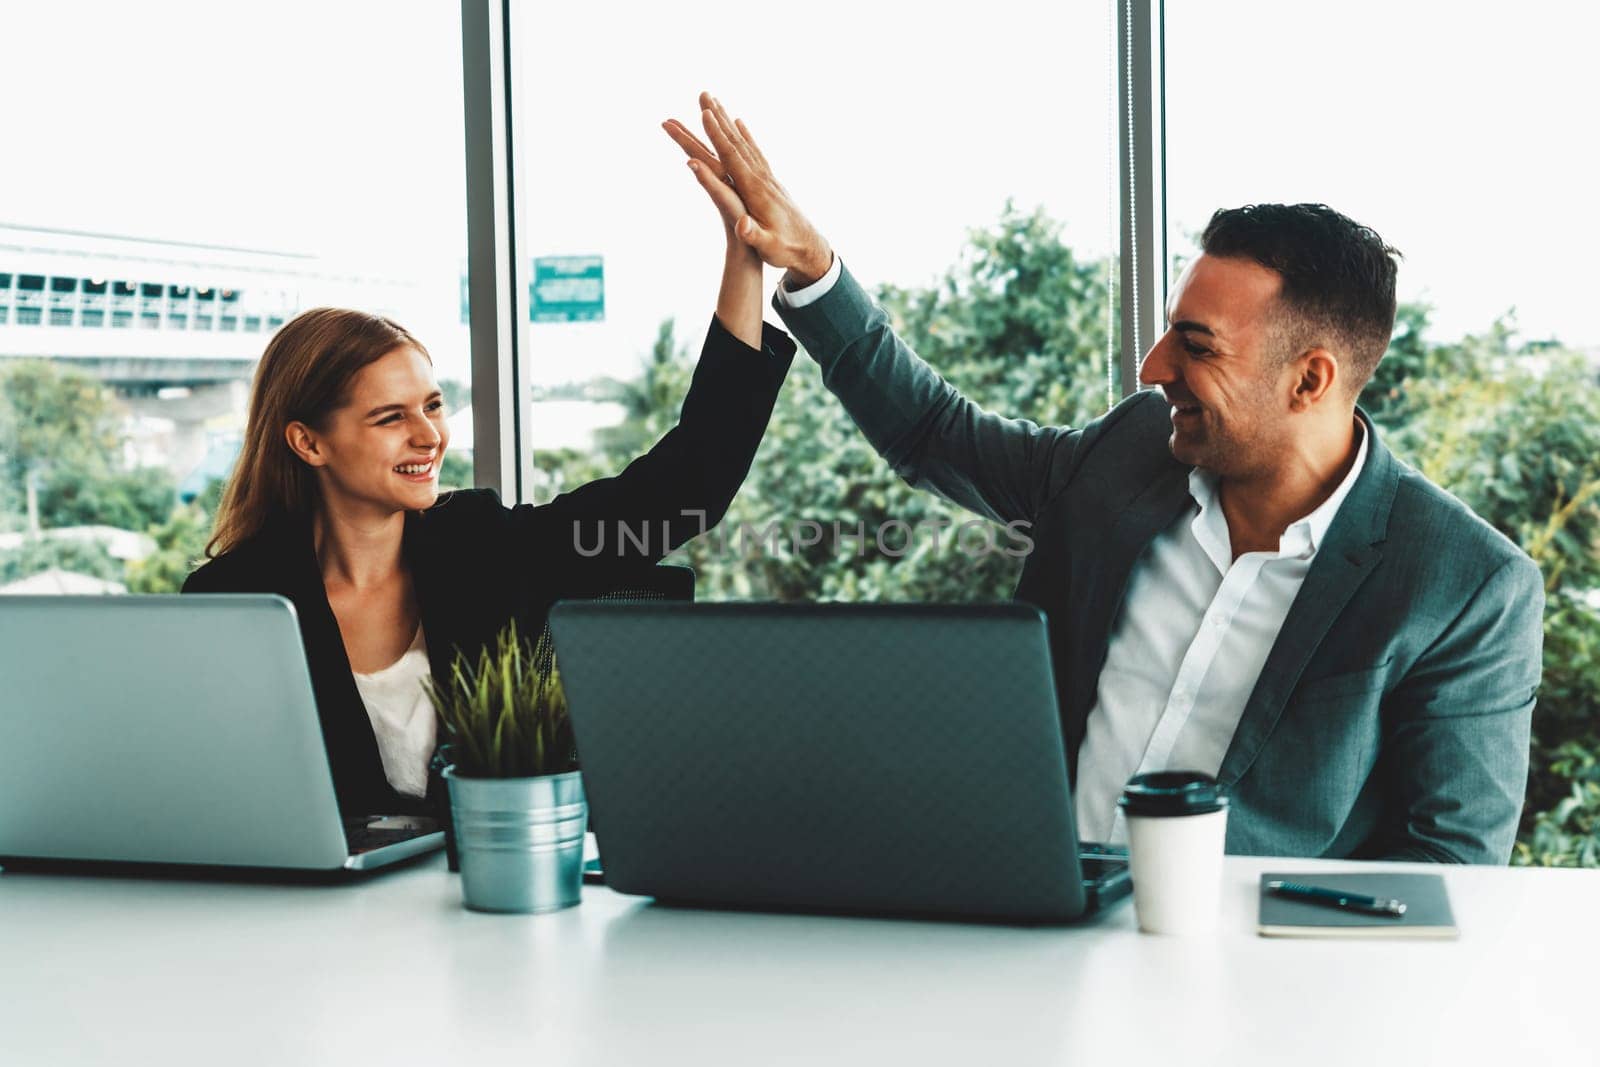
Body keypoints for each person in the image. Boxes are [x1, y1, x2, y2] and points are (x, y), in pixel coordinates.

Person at [665, 92, 1544, 863]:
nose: (1154, 366)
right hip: (1036, 939)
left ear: (1309, 379)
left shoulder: (1466, 585)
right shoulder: (1128, 456)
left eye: (1196, 346)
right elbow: (936, 432)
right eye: (1171, 330)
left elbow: (1446, 870)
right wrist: (816, 269)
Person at [183, 147, 794, 817]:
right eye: (391, 417)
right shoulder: (234, 599)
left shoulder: (483, 543)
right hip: (313, 912)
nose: (429, 436)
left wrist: (745, 260)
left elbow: (685, 490)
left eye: (434, 405)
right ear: (308, 441)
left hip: (488, 898)